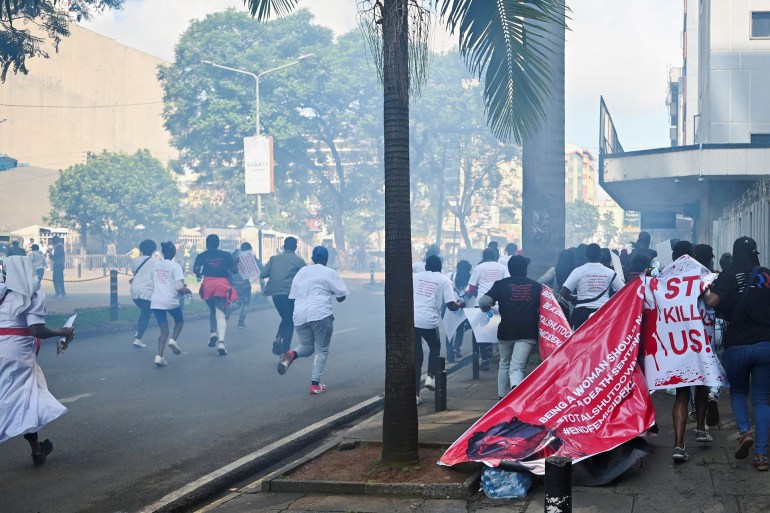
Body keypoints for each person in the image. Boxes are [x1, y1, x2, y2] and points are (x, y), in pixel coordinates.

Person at [0, 256, 75, 466]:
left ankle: (37, 450)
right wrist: (63, 331)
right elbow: (36, 330)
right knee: (25, 401)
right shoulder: (32, 294)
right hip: (18, 354)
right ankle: (36, 450)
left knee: (22, 401)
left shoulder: (2, 291)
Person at [705, 236, 770, 471]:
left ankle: (744, 432)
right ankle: (762, 456)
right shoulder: (766, 274)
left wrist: (705, 290)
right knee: (763, 400)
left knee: (739, 391)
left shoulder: (729, 274)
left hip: (737, 345)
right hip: (765, 345)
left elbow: (711, 301)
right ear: (755, 253)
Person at [277, 246, 349, 395]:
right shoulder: (329, 272)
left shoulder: (301, 272)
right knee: (321, 350)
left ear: (312, 258)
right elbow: (341, 296)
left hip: (299, 314)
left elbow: (293, 296)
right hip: (320, 314)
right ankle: (315, 384)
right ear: (327, 258)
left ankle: (291, 354)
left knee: (306, 346)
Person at [479, 255, 542, 399]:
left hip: (506, 331)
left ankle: (502, 397)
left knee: (504, 363)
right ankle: (516, 396)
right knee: (517, 366)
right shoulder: (536, 286)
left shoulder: (500, 285)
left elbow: (484, 302)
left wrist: (487, 310)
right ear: (525, 269)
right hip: (527, 332)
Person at [413, 255, 464, 404]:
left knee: (417, 357)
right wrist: (461, 303)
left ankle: (415, 395)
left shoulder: (416, 277)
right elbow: (451, 306)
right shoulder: (444, 280)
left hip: (414, 320)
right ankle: (430, 376)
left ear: (426, 266)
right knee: (435, 347)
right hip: (429, 322)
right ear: (440, 266)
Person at [560, 243, 625, 330]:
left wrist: (574, 299)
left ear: (585, 256)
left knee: (581, 341)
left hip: (581, 314)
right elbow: (624, 291)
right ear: (600, 255)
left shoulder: (578, 271)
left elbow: (563, 293)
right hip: (603, 313)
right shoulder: (610, 272)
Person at [193, 234, 238, 356]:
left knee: (213, 310)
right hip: (222, 285)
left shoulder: (202, 255)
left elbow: (196, 269)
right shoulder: (226, 255)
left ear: (206, 244)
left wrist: (203, 269)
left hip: (207, 285)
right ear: (218, 244)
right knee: (220, 314)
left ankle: (213, 333)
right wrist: (234, 264)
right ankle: (221, 343)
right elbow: (234, 270)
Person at [261, 237, 306, 355]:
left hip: (275, 294)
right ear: (295, 247)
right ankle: (285, 353)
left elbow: (263, 274)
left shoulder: (274, 259)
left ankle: (278, 338)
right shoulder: (298, 260)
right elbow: (307, 277)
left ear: (283, 246)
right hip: (290, 294)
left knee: (286, 318)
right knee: (289, 321)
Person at [467, 248, 509, 371]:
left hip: (481, 303)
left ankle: (484, 360)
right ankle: (504, 358)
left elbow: (471, 288)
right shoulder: (502, 267)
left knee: (479, 333)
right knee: (499, 330)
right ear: (495, 255)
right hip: (499, 303)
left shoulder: (479, 268)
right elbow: (507, 283)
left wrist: (467, 295)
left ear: (483, 256)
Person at [150, 242, 187, 367]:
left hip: (156, 301)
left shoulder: (155, 265)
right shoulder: (175, 266)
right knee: (179, 322)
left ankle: (159, 356)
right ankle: (173, 340)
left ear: (162, 252)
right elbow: (178, 286)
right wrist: (185, 290)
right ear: (174, 253)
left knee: (163, 331)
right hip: (170, 301)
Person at [129, 239, 157, 349]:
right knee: (146, 313)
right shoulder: (156, 262)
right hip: (147, 291)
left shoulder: (135, 261)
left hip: (134, 290)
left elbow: (135, 272)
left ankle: (138, 335)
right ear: (154, 250)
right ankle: (138, 338)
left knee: (145, 312)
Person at [231, 242, 263, 329]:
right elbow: (261, 267)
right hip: (245, 284)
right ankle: (241, 322)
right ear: (249, 249)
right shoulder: (250, 257)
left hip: (233, 283)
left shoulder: (233, 255)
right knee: (246, 304)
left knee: (236, 303)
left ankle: (228, 311)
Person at [446, 259, 472, 362]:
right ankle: (456, 348)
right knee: (459, 329)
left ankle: (449, 355)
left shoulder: (450, 275)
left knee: (449, 331)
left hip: (450, 305)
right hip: (462, 306)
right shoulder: (469, 278)